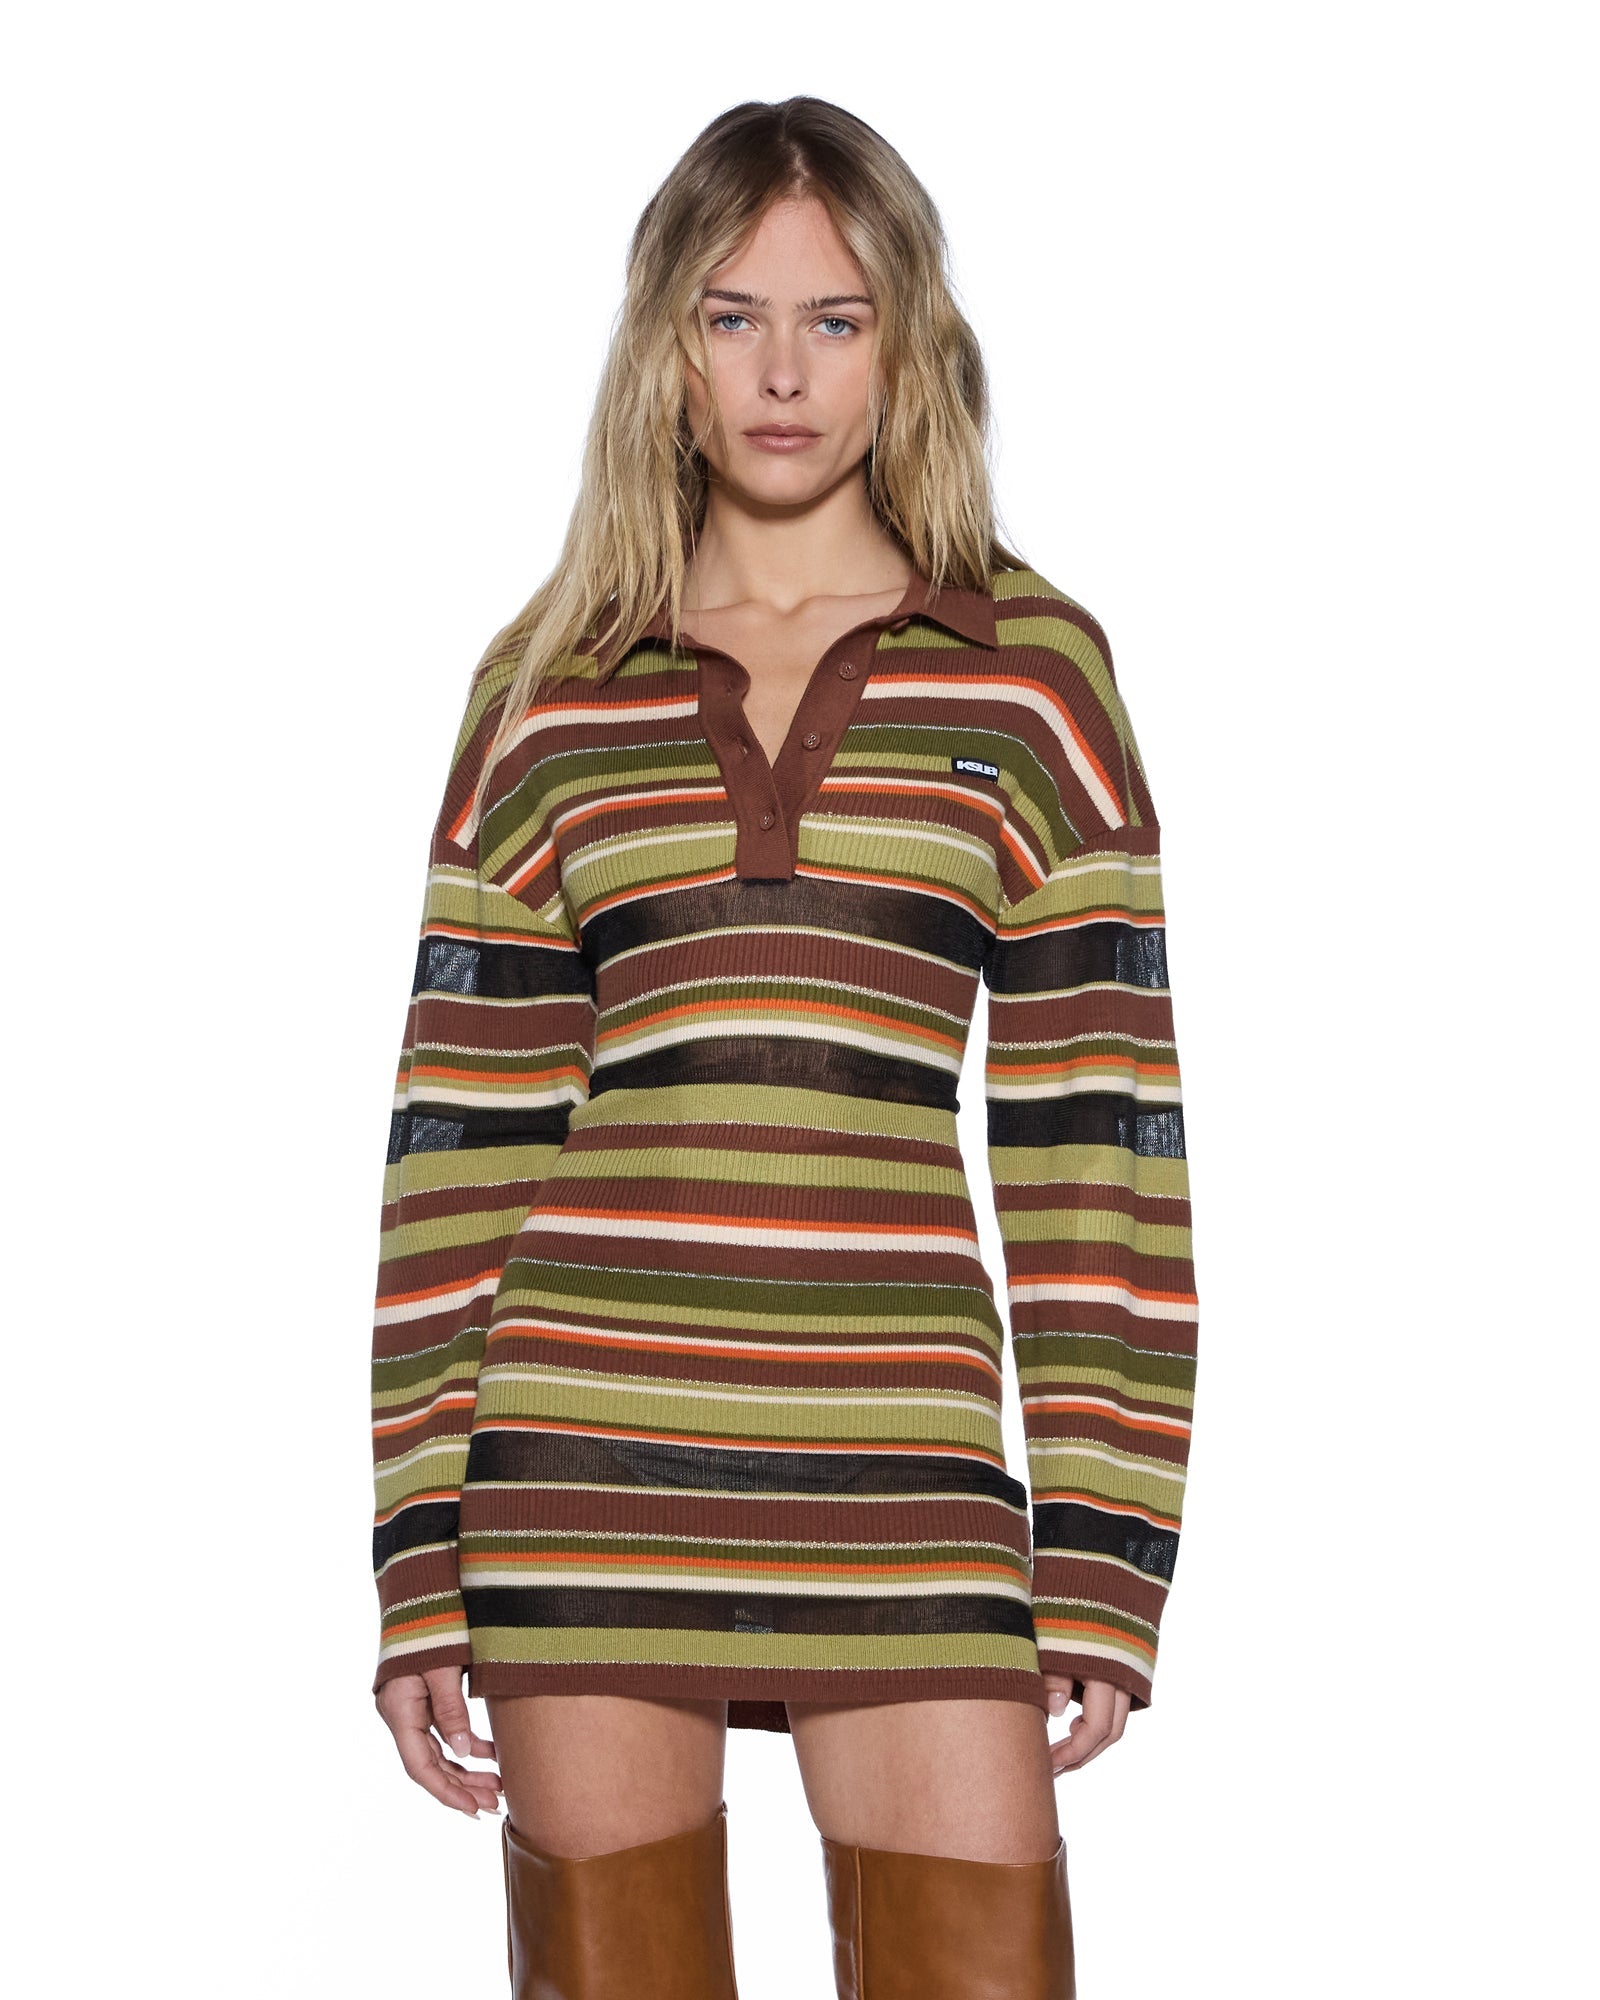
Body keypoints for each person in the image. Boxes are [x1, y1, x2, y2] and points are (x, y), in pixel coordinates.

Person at [368, 95, 1198, 2000]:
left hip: (904, 1462)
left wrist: (1105, 1544)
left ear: (909, 341)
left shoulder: (1031, 670)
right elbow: (460, 1143)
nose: (782, 373)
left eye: (835, 319)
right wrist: (417, 1554)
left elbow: (1099, 1129)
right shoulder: (550, 680)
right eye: (732, 316)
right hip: (583, 1465)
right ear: (667, 342)